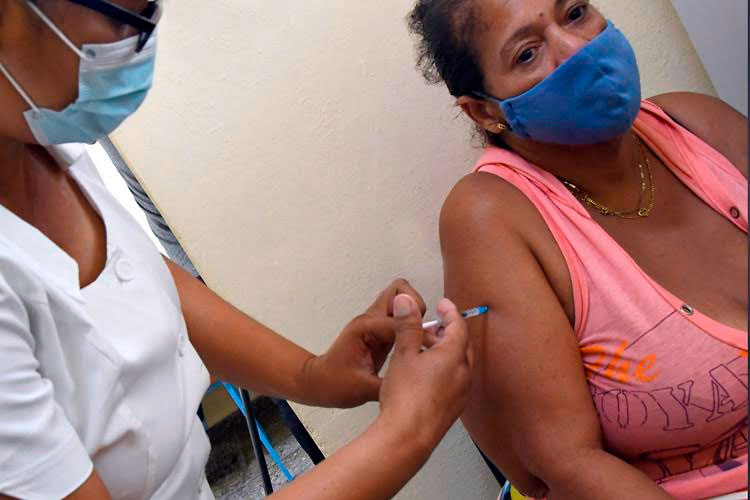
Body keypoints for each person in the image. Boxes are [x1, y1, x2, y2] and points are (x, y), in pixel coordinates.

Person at [0, 1, 474, 499]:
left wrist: (314, 376)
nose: (143, 43)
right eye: (127, 18)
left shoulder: (40, 139)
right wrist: (406, 432)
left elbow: (140, 283)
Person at [407, 0, 747, 499]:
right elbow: (563, 466)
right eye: (527, 54)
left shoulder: (696, 124)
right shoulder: (491, 217)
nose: (577, 49)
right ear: (485, 110)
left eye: (574, 13)